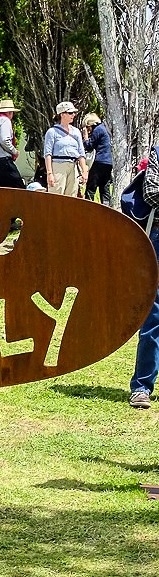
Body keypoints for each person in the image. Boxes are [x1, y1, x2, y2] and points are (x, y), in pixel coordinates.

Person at [128, 144, 159, 408]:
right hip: (157, 239)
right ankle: (141, 386)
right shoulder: (158, 152)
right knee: (154, 315)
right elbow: (151, 194)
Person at [43, 101, 88, 196]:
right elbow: (48, 154)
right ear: (62, 114)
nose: (73, 115)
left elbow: (81, 152)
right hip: (58, 166)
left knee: (71, 196)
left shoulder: (76, 132)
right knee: (56, 195)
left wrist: (84, 171)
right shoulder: (52, 132)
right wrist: (50, 173)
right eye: (70, 113)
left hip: (73, 167)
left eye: (74, 113)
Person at [82, 112, 112, 206]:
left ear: (90, 124)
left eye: (87, 127)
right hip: (108, 162)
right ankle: (106, 209)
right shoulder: (104, 129)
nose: (88, 129)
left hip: (99, 162)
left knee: (91, 188)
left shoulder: (98, 130)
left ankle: (88, 208)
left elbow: (89, 146)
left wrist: (86, 137)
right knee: (105, 189)